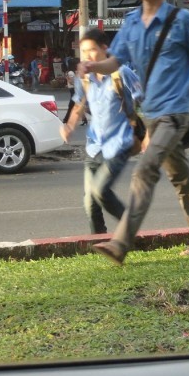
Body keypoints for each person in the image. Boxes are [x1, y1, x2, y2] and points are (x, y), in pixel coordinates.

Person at [81, 0, 189, 266]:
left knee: (145, 170)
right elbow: (115, 61)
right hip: (151, 111)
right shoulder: (132, 22)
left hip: (177, 112)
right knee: (179, 177)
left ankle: (121, 243)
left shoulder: (181, 20)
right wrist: (94, 64)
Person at [61, 29, 142, 234]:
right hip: (94, 145)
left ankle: (129, 232)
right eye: (84, 51)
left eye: (92, 50)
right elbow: (79, 104)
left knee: (101, 190)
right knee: (90, 201)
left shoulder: (122, 73)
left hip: (119, 143)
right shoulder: (84, 77)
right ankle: (98, 239)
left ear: (105, 49)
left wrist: (148, 134)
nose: (87, 56)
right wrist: (69, 126)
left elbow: (144, 101)